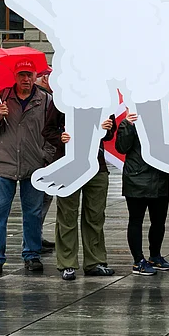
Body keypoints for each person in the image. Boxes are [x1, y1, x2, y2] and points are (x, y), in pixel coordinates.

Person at [0, 68, 60, 277]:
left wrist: (46, 155)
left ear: (35, 76)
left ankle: (32, 254)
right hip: (4, 165)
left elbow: (52, 131)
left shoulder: (45, 100)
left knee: (33, 213)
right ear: (15, 77)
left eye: (29, 75)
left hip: (34, 166)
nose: (26, 79)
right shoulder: (3, 97)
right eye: (21, 75)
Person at [51, 114, 117, 280]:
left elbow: (110, 132)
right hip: (68, 164)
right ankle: (67, 263)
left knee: (95, 215)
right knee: (67, 216)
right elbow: (47, 130)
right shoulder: (61, 102)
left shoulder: (104, 101)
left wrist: (108, 128)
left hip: (96, 166)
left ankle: (95, 262)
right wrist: (60, 137)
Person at [116, 112, 169, 276]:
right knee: (136, 220)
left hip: (159, 179)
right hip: (136, 179)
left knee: (159, 221)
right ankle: (138, 260)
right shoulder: (128, 122)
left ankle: (155, 256)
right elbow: (121, 147)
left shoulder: (164, 121)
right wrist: (128, 126)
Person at [32, 67, 57, 254]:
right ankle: (33, 239)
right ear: (46, 79)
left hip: (44, 156)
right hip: (42, 157)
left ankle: (36, 236)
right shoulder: (44, 99)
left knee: (44, 198)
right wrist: (47, 157)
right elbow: (46, 131)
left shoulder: (45, 97)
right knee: (39, 201)